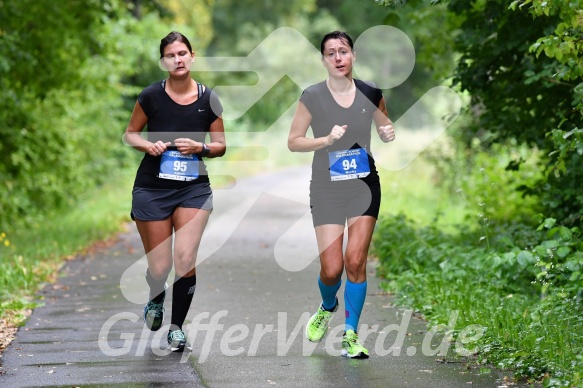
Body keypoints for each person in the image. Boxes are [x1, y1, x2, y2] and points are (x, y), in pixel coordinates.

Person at [288, 31, 395, 358]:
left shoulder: (371, 92)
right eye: (331, 53)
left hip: (364, 185)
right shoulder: (313, 96)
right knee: (331, 269)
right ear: (324, 60)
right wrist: (323, 140)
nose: (338, 57)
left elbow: (383, 125)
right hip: (326, 188)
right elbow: (294, 141)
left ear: (353, 56)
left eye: (343, 51)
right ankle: (327, 305)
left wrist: (387, 131)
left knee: (356, 261)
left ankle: (351, 334)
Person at [123, 31, 226, 352]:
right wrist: (147, 144)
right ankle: (156, 294)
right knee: (159, 266)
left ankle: (177, 328)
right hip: (152, 188)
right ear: (163, 61)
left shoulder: (210, 99)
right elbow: (130, 134)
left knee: (185, 259)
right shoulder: (151, 96)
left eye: (182, 53)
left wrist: (201, 148)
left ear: (192, 56)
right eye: (170, 55)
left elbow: (221, 145)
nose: (177, 59)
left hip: (193, 190)